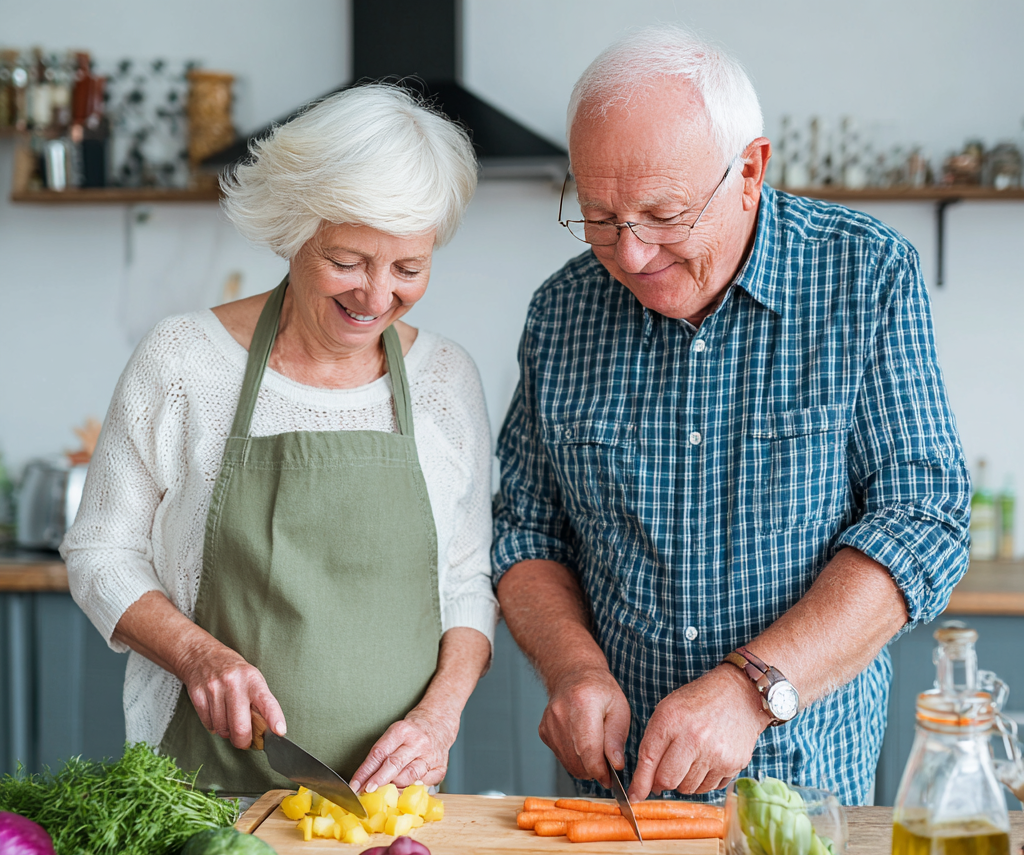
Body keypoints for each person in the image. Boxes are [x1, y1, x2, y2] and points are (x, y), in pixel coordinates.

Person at [492, 27, 970, 806]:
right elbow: (527, 530)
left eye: (663, 214)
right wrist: (572, 669)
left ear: (749, 171)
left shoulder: (864, 275)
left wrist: (753, 688)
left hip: (804, 791)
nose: (633, 253)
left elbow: (923, 520)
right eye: (601, 216)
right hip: (614, 802)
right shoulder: (561, 312)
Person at [62, 85, 497, 795]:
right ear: (294, 229)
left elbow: (467, 586)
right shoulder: (183, 361)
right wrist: (200, 657)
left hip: (389, 805)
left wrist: (437, 722)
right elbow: (100, 553)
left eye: (408, 269)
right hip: (198, 793)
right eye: (349, 261)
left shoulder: (446, 379)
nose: (377, 296)